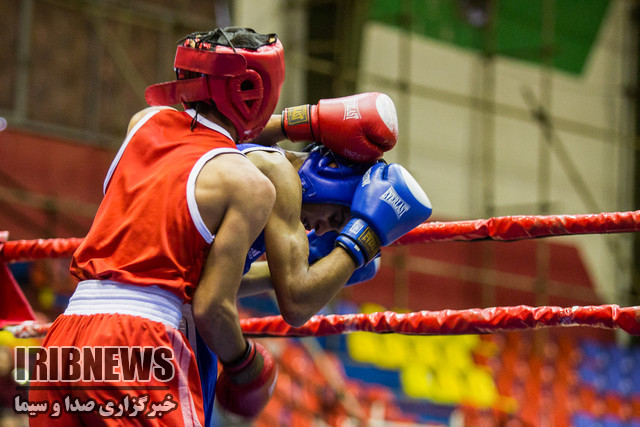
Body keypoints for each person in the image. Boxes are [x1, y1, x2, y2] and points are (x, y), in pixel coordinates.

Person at [27, 26, 430, 426]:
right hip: (142, 343)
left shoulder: (145, 123)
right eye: (337, 218)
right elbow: (277, 305)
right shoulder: (256, 181)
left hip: (65, 339)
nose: (323, 230)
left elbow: (197, 272)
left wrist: (305, 122)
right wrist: (363, 237)